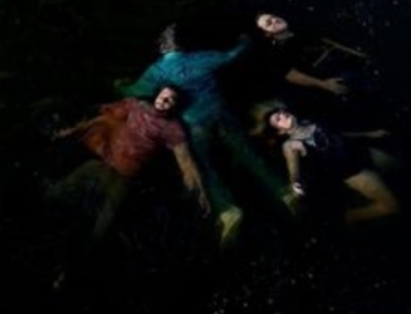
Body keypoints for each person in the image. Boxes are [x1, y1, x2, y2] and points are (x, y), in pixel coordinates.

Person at [117, 24, 296, 245]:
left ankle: (228, 210)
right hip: (221, 113)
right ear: (180, 45)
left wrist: (120, 85)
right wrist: (244, 41)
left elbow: (135, 91)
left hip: (195, 126)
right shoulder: (200, 57)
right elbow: (231, 56)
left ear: (162, 47)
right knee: (247, 153)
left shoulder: (157, 71)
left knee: (204, 167)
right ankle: (283, 192)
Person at [46, 86, 209, 287]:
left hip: (123, 179)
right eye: (163, 96)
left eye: (171, 100)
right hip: (100, 166)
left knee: (100, 230)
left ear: (176, 106)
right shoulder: (136, 106)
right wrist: (72, 130)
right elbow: (102, 113)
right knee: (55, 195)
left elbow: (186, 163)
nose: (164, 101)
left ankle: (66, 272)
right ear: (157, 95)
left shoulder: (172, 129)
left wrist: (200, 192)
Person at [264, 106, 400, 226]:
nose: (282, 114)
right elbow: (294, 172)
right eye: (278, 119)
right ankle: (351, 217)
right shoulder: (291, 145)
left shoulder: (308, 121)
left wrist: (369, 134)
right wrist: (295, 185)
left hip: (364, 153)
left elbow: (340, 134)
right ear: (280, 132)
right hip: (354, 173)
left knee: (398, 168)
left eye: (281, 112)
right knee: (393, 206)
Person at [253, 12, 380, 129]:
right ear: (267, 33)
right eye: (269, 23)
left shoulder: (302, 30)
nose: (274, 20)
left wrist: (359, 54)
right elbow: (292, 75)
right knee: (369, 91)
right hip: (333, 76)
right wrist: (324, 85)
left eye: (274, 16)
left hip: (346, 62)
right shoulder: (276, 52)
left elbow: (329, 42)